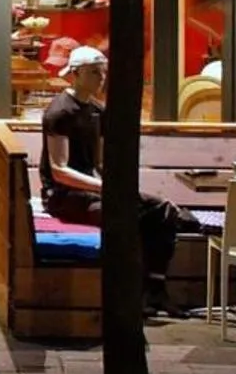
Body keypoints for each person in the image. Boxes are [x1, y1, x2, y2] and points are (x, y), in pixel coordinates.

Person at [40, 45, 183, 319]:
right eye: (94, 72)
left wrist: (119, 185)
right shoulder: (60, 112)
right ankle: (127, 299)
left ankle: (155, 289)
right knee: (123, 218)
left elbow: (101, 161)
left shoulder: (97, 111)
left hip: (94, 191)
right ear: (76, 73)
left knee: (164, 211)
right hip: (64, 197)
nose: (101, 78)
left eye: (102, 72)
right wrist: (107, 189)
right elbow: (59, 171)